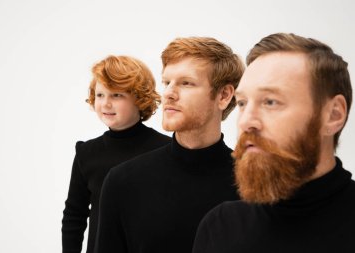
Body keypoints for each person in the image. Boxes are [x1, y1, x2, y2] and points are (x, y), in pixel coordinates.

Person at [193, 33, 355, 253]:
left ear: (333, 115)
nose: (246, 121)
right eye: (242, 103)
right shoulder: (221, 226)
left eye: (270, 102)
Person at [93, 37, 245, 253]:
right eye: (167, 82)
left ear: (224, 95)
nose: (169, 94)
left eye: (186, 83)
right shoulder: (123, 181)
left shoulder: (255, 184)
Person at [61, 55, 171, 253]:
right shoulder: (87, 153)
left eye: (116, 95)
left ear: (140, 98)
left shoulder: (166, 149)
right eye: (101, 95)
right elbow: (74, 216)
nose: (105, 103)